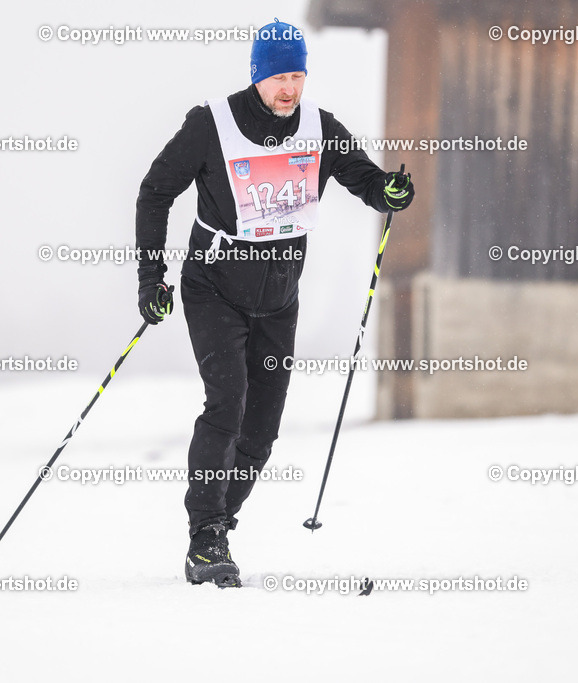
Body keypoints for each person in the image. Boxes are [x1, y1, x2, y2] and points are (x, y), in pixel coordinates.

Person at [135, 17, 414, 587]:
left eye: (297, 75)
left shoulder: (318, 126)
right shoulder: (210, 125)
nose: (289, 88)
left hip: (279, 298)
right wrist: (150, 278)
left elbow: (359, 175)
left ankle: (219, 527)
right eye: (278, 76)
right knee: (227, 404)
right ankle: (205, 536)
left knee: (261, 432)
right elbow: (154, 192)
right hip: (213, 288)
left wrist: (386, 188)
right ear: (257, 76)